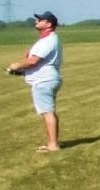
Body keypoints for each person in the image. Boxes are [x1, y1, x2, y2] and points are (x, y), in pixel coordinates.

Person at [5, 11, 63, 152]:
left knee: (47, 112)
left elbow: (33, 61)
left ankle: (53, 145)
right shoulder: (48, 39)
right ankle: (51, 142)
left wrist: (16, 66)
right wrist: (21, 72)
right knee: (49, 111)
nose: (36, 21)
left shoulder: (48, 40)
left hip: (43, 80)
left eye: (40, 19)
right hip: (47, 78)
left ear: (48, 24)